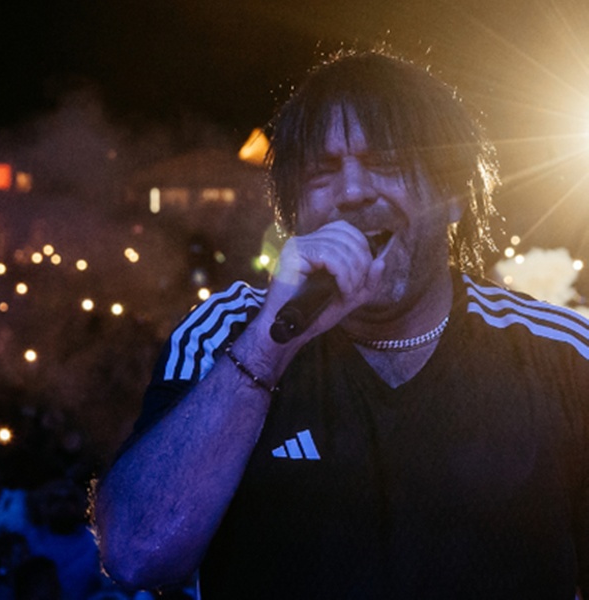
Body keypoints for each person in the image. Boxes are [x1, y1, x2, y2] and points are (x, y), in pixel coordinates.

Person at [94, 49, 589, 599]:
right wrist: (269, 346)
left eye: (388, 162)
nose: (352, 192)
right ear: (293, 211)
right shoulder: (225, 331)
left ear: (453, 195)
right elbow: (136, 554)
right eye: (321, 172)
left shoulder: (561, 354)